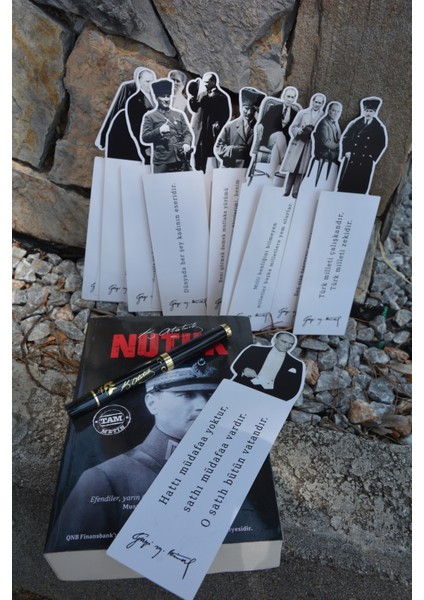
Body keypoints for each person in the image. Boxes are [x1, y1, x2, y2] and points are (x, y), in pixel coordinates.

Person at [50, 362, 219, 542]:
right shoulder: (104, 477)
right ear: (152, 403)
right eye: (187, 394)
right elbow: (77, 550)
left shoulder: (222, 463)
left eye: (209, 395)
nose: (203, 405)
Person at [96, 67, 156, 161]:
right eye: (147, 81)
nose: (151, 85)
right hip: (129, 137)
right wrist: (145, 147)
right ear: (139, 82)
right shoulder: (133, 97)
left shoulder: (156, 96)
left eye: (152, 82)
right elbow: (135, 126)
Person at [230, 331, 304, 401]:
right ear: (275, 340)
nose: (287, 346)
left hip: (272, 396)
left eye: (291, 344)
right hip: (243, 386)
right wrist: (244, 370)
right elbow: (237, 365)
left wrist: (278, 400)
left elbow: (294, 388)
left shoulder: (297, 364)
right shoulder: (254, 350)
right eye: (284, 341)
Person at [140, 78, 194, 173]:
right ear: (156, 98)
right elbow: (145, 137)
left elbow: (187, 133)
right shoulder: (150, 117)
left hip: (180, 160)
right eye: (163, 97)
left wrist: (186, 143)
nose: (166, 99)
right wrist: (159, 130)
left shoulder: (179, 114)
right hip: (162, 162)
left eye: (168, 96)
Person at [278, 92, 326, 198]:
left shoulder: (323, 116)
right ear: (312, 101)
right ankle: (287, 190)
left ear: (322, 104)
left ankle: (295, 192)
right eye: (316, 102)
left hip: (310, 145)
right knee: (293, 167)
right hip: (299, 142)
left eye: (319, 103)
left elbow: (322, 132)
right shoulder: (302, 113)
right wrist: (298, 130)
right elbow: (293, 127)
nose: (317, 104)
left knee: (302, 168)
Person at [336, 96, 388, 194]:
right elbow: (345, 137)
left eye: (371, 111)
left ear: (375, 112)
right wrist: (346, 151)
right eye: (367, 110)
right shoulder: (355, 123)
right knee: (345, 185)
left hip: (365, 161)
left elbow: (382, 144)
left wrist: (372, 157)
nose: (368, 113)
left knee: (360, 186)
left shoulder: (378, 128)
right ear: (364, 111)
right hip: (352, 158)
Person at [187, 71, 231, 172]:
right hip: (200, 128)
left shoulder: (222, 96)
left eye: (207, 82)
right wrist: (192, 97)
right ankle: (198, 169)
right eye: (204, 82)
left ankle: (210, 172)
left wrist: (219, 123)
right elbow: (195, 109)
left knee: (210, 152)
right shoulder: (202, 95)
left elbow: (226, 114)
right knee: (198, 149)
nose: (205, 84)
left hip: (212, 130)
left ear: (213, 82)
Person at [214, 87, 266, 168]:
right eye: (246, 108)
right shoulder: (230, 127)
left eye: (252, 110)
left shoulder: (260, 128)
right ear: (241, 108)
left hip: (248, 169)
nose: (249, 112)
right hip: (230, 169)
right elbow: (218, 149)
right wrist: (233, 150)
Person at [251, 86, 300, 170]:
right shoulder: (274, 108)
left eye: (292, 97)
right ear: (284, 96)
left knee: (277, 147)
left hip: (284, 144)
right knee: (279, 135)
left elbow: (295, 129)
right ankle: (285, 161)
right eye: (288, 96)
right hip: (270, 139)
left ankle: (272, 174)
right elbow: (263, 121)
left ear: (294, 99)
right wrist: (260, 125)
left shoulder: (296, 114)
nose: (289, 99)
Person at [308, 101, 343, 184]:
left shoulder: (332, 122)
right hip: (324, 151)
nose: (336, 114)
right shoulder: (324, 123)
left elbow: (335, 138)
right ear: (329, 110)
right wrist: (339, 147)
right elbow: (325, 142)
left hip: (330, 150)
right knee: (344, 158)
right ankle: (337, 183)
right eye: (333, 110)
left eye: (338, 111)